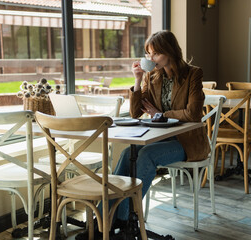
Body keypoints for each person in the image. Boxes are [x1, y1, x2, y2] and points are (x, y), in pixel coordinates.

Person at [76, 30, 210, 239]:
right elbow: (135, 112)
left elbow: (192, 114)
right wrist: (137, 81)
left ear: (169, 51)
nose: (150, 58)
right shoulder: (152, 75)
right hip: (161, 137)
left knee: (146, 155)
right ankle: (103, 221)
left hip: (187, 141)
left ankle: (123, 219)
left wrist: (161, 114)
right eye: (148, 54)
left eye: (155, 53)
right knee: (126, 155)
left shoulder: (193, 74)